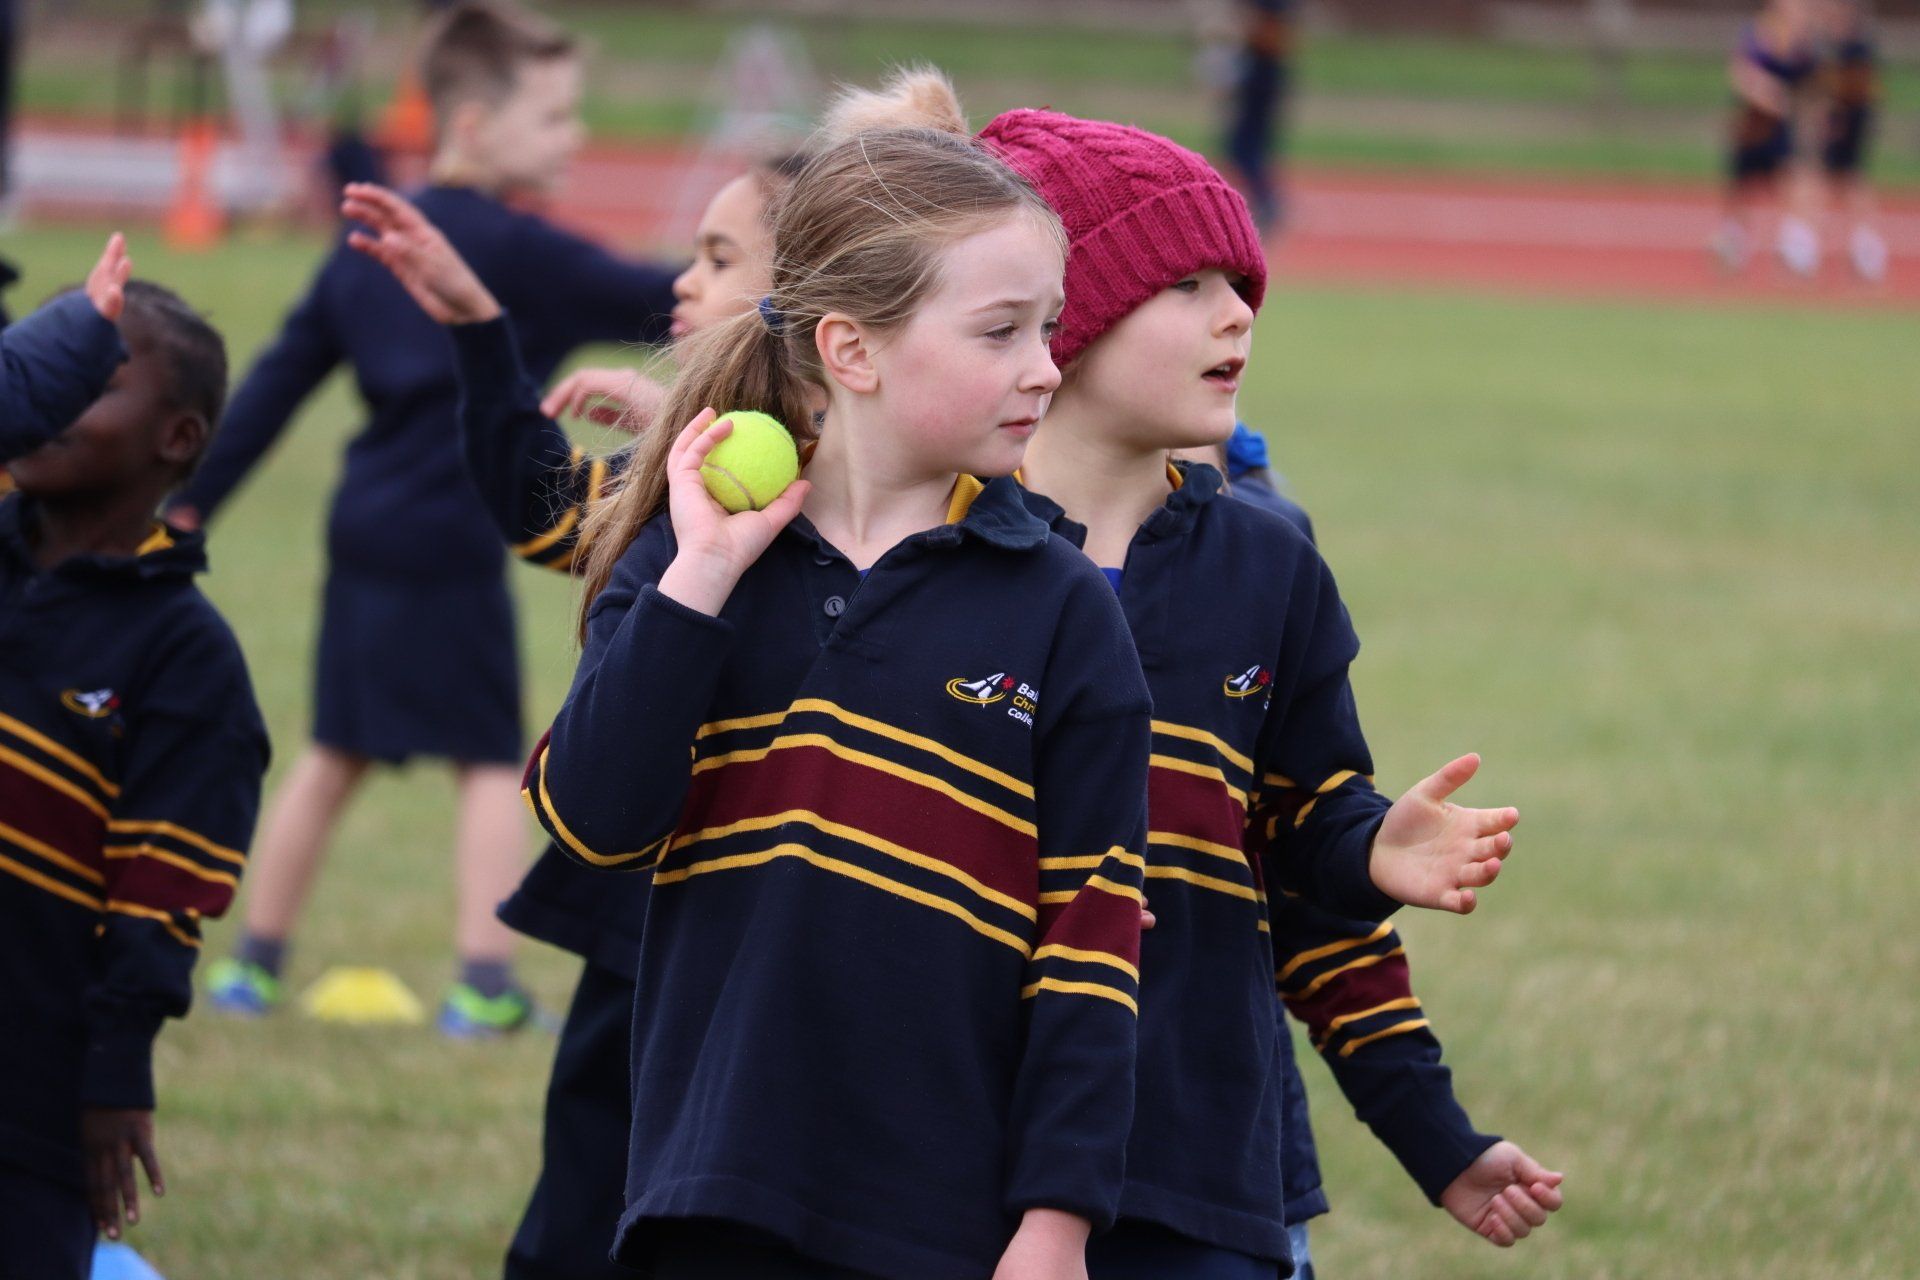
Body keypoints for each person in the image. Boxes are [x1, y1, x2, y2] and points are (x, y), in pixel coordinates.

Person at [530, 124, 1155, 1279]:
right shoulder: (692, 563)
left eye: (1049, 327)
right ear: (852, 350)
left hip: (946, 1223)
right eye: (1001, 331)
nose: (1045, 367)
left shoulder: (1064, 605)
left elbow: (1093, 936)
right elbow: (591, 820)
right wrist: (697, 581)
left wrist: (1057, 1218)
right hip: (709, 1191)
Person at [339, 146, 806, 1275]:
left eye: (719, 257)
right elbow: (543, 510)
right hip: (639, 925)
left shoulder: (875, 510)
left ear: (813, 303)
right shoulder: (691, 484)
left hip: (779, 937)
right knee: (582, 1213)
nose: (684, 281)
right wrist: (479, 326)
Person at [175, 0, 678, 1036]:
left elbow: (272, 386)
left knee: (335, 748)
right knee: (488, 758)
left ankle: (252, 967)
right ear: (475, 125)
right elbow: (662, 296)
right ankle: (483, 983)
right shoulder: (523, 249)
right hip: (455, 535)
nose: (576, 136)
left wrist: (187, 503)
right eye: (555, 116)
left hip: (363, 526)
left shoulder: (373, 239)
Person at [0, 265, 269, 1278]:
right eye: (38, 362)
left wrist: (115, 1075)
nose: (49, 392)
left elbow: (162, 891)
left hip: (28, 1088)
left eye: (94, 377)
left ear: (177, 438)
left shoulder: (187, 656)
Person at [1714, 0, 1823, 276]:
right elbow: (1742, 74)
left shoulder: (1803, 45)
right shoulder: (1758, 35)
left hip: (1780, 131)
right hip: (1752, 128)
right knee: (1741, 191)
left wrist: (1810, 119)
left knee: (1795, 184)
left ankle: (1795, 248)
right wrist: (1767, 93)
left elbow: (1811, 89)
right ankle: (1733, 246)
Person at [1815, 0, 1888, 282]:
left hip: (1850, 124)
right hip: (1846, 122)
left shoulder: (1855, 50)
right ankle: (1853, 245)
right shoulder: (1838, 49)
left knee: (1852, 180)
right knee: (1837, 181)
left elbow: (1856, 94)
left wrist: (1837, 121)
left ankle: (1866, 247)